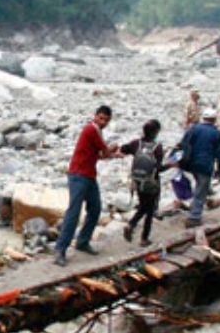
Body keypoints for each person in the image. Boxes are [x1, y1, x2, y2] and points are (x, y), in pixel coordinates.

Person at [54, 105, 121, 266]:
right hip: (78, 175)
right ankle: (60, 249)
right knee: (74, 212)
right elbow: (105, 152)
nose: (103, 121)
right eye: (101, 118)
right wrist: (113, 151)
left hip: (88, 175)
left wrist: (111, 153)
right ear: (95, 116)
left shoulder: (94, 131)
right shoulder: (92, 129)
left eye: (105, 119)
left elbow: (97, 155)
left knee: (95, 208)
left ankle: (82, 241)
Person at [122, 120, 171, 247]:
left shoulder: (136, 143)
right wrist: (171, 165)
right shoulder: (157, 147)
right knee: (149, 209)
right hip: (152, 182)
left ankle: (132, 225)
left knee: (144, 205)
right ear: (156, 132)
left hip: (138, 181)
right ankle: (143, 237)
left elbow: (123, 149)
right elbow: (158, 168)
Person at [179, 109, 220, 227]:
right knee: (201, 190)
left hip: (191, 163)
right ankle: (194, 217)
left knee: (200, 184)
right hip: (205, 165)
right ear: (214, 120)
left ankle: (203, 197)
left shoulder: (193, 129)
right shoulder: (217, 134)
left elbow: (183, 144)